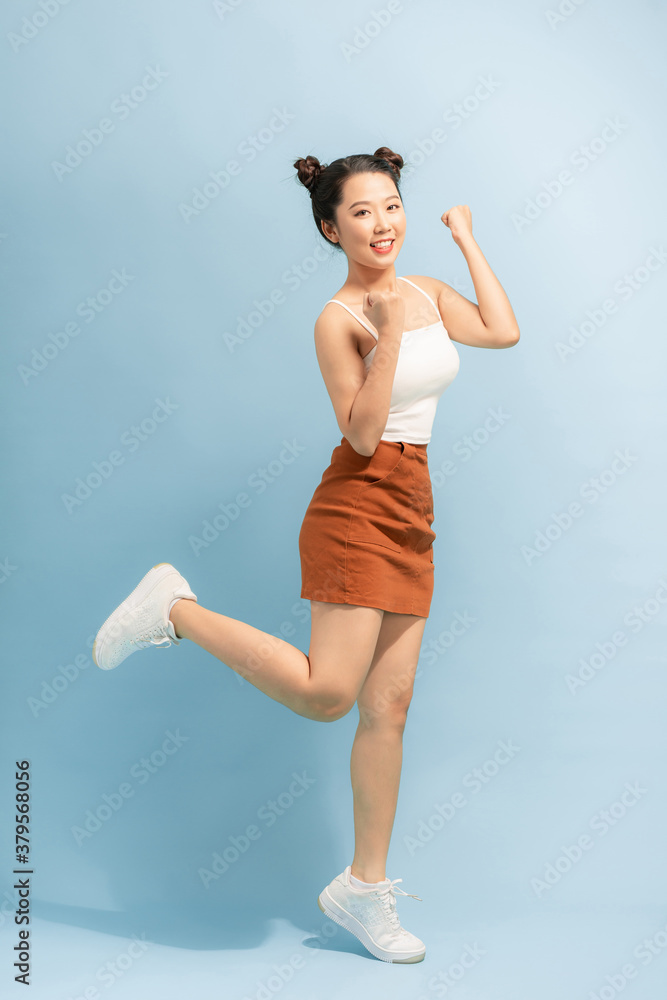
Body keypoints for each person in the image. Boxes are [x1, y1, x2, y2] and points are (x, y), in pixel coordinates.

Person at [92, 146, 520, 965]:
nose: (382, 223)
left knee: (387, 710)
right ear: (331, 229)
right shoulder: (339, 319)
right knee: (330, 696)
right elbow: (359, 432)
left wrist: (463, 239)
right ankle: (173, 610)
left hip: (413, 503)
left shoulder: (428, 291)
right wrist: (388, 332)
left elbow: (500, 330)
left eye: (390, 205)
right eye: (360, 213)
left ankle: (363, 889)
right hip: (357, 501)